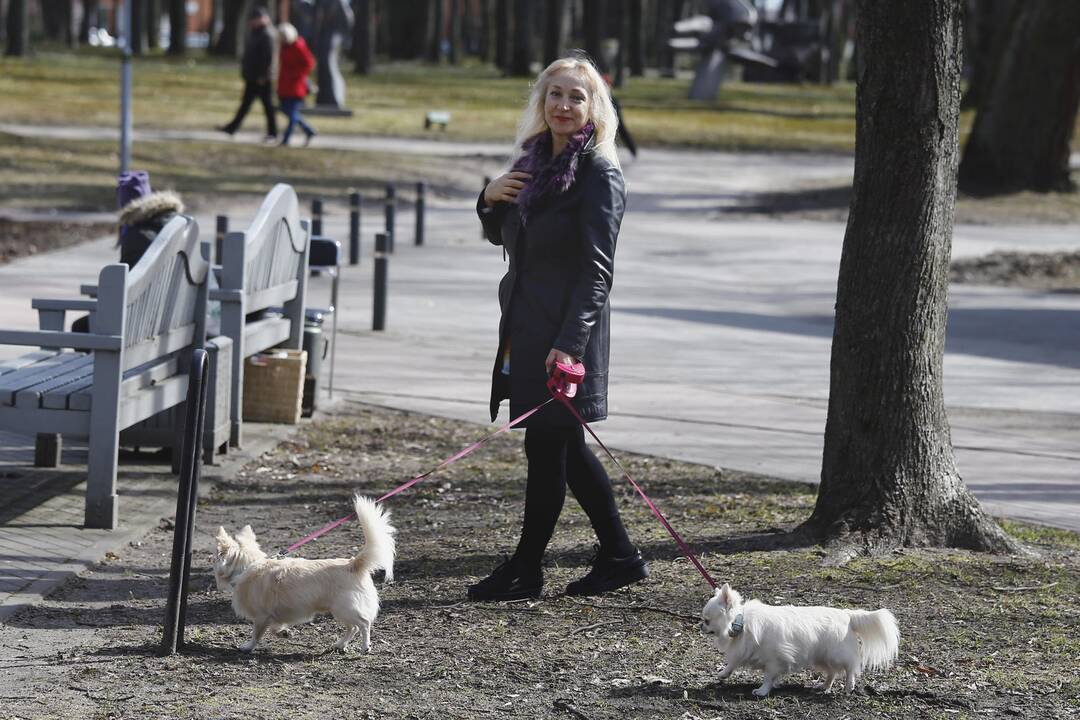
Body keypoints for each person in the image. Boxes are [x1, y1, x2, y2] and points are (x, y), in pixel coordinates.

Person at [469, 55, 647, 601]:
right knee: (560, 447)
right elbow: (509, 238)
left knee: (550, 447)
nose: (564, 105)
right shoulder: (533, 163)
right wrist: (487, 200)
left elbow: (598, 271)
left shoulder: (598, 172)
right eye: (555, 95)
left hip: (568, 335)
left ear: (595, 106)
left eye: (577, 96)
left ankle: (527, 568)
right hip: (525, 327)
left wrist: (569, 346)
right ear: (541, 103)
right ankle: (619, 556)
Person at [217, 7, 278, 142]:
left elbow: (269, 59)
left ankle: (273, 133)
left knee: (268, 106)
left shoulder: (267, 34)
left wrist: (263, 76)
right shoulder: (256, 33)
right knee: (245, 104)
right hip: (253, 76)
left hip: (263, 78)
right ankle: (232, 128)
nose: (252, 22)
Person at [276, 23, 317, 147]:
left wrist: (296, 74)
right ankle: (309, 130)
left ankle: (286, 140)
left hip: (295, 86)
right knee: (285, 110)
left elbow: (309, 63)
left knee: (292, 113)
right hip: (284, 84)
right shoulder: (285, 47)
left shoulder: (298, 46)